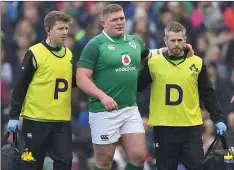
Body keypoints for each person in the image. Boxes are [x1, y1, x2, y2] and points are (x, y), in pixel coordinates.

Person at [76, 4, 193, 170]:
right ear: (104, 23)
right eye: (114, 19)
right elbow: (81, 78)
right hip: (103, 111)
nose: (119, 22)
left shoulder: (135, 41)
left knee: (139, 156)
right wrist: (102, 96)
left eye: (122, 18)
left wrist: (175, 48)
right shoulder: (95, 45)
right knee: (104, 160)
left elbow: (151, 55)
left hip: (129, 108)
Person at [137, 21, 227, 170]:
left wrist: (217, 118)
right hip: (163, 127)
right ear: (165, 41)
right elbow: (139, 87)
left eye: (180, 40)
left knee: (197, 167)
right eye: (172, 40)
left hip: (191, 128)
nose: (176, 44)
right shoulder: (153, 63)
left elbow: (207, 94)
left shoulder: (197, 63)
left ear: (185, 40)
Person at [7, 11, 76, 170]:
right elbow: (21, 86)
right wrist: (13, 115)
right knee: (29, 164)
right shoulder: (35, 52)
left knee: (65, 162)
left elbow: (70, 82)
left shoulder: (69, 55)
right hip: (35, 121)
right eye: (60, 29)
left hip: (61, 121)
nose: (65, 32)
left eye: (66, 28)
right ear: (48, 30)